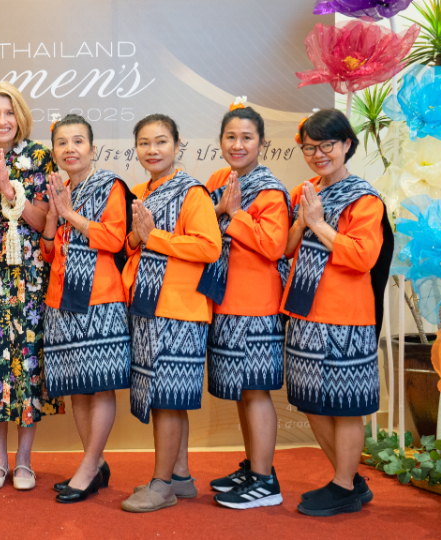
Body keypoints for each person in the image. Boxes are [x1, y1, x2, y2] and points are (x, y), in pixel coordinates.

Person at [284, 109, 389, 517]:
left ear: (347, 144)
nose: (318, 154)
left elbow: (363, 257)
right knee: (311, 400)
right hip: (305, 311)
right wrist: (301, 223)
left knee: (345, 404)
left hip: (345, 316)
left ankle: (344, 485)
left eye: (326, 145)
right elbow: (287, 249)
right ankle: (350, 480)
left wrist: (318, 223)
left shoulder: (364, 199)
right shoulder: (306, 190)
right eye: (309, 147)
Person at [0, 81, 63, 491]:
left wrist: (14, 196)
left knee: (27, 362)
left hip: (30, 274)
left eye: (8, 112)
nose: (2, 120)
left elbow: (46, 221)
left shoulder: (40, 156)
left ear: (20, 116)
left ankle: (24, 461)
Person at [120, 114, 221, 513]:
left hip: (179, 309)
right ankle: (180, 476)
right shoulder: (139, 192)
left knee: (166, 398)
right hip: (148, 305)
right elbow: (131, 245)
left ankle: (161, 485)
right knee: (169, 397)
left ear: (178, 145)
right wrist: (137, 236)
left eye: (161, 141)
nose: (152, 150)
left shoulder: (192, 192)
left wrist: (154, 237)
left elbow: (208, 247)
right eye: (144, 143)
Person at [197, 101, 291, 509]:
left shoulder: (270, 190)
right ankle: (254, 467)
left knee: (255, 391)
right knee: (241, 390)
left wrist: (234, 213)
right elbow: (202, 224)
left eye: (247, 138)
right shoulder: (220, 178)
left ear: (262, 143)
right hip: (224, 299)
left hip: (256, 304)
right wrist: (219, 209)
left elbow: (274, 246)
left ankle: (265, 481)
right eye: (231, 137)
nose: (238, 144)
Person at [41, 114, 131, 503]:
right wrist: (51, 218)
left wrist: (69, 214)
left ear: (92, 149)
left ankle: (89, 466)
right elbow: (49, 252)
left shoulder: (109, 185)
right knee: (77, 387)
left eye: (78, 141)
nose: (70, 149)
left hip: (100, 298)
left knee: (100, 384)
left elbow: (114, 239)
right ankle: (94, 462)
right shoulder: (61, 189)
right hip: (61, 298)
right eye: (62, 143)